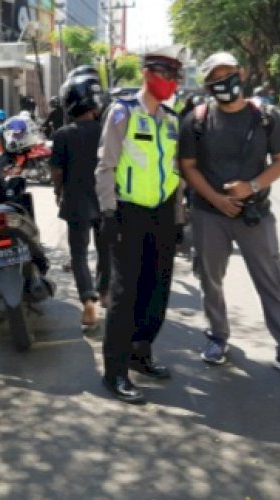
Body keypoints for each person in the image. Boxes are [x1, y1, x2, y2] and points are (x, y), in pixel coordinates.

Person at [178, 51, 280, 380]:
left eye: (227, 74)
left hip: (254, 215)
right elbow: (186, 167)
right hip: (208, 215)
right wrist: (216, 199)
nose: (222, 82)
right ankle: (218, 337)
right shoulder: (196, 119)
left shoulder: (266, 116)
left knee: (272, 282)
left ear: (241, 74)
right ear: (206, 84)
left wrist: (253, 186)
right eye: (214, 78)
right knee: (210, 280)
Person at [95, 46, 185, 404]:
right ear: (149, 74)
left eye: (176, 77)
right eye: (168, 75)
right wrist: (107, 212)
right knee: (125, 293)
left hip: (162, 213)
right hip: (128, 212)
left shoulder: (171, 119)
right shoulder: (123, 113)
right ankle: (114, 372)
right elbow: (106, 165)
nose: (172, 83)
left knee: (157, 290)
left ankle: (140, 353)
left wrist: (178, 219)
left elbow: (175, 171)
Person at [51, 69, 111, 328]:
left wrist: (58, 191)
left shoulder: (63, 134)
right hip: (105, 199)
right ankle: (106, 293)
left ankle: (88, 300)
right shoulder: (107, 132)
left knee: (78, 255)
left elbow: (57, 171)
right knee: (105, 250)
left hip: (76, 201)